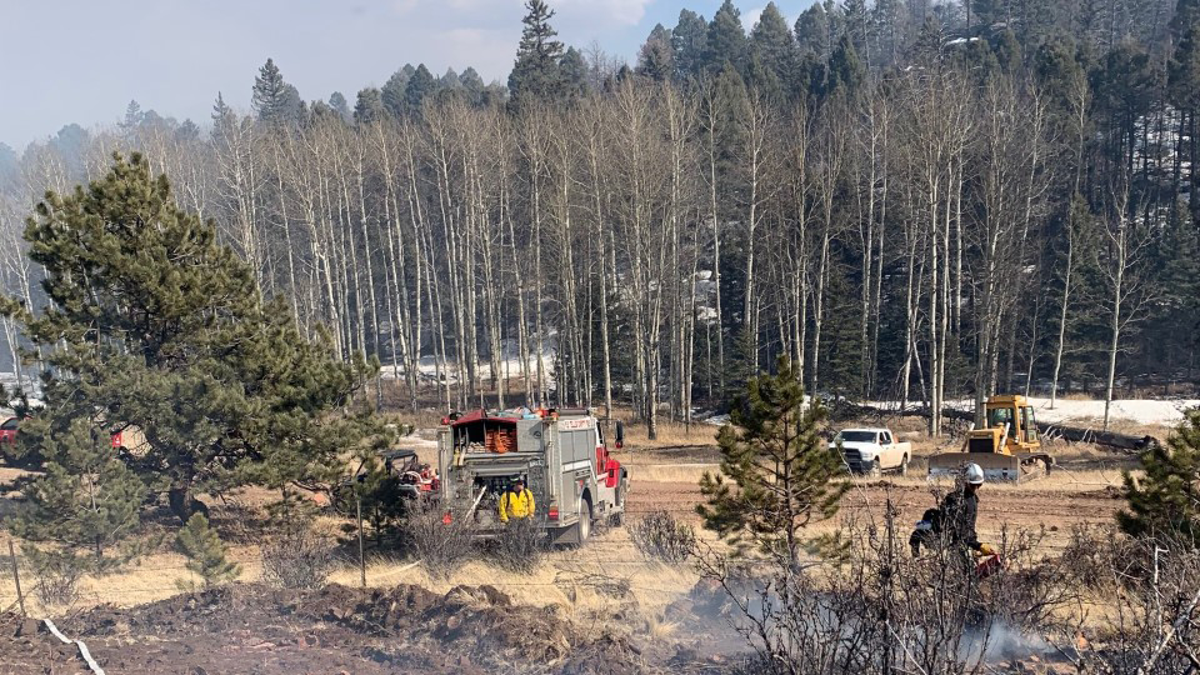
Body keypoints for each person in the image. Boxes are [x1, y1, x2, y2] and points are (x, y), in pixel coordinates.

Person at [910, 463, 997, 558]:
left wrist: (976, 546)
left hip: (958, 548)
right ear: (963, 482)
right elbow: (959, 530)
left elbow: (965, 529)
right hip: (955, 548)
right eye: (973, 486)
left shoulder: (966, 500)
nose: (976, 488)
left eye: (978, 485)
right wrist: (977, 545)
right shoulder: (961, 500)